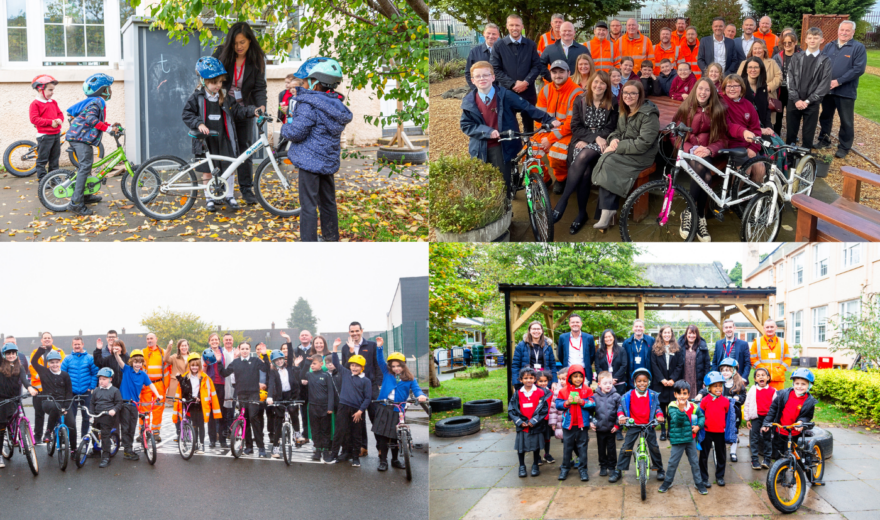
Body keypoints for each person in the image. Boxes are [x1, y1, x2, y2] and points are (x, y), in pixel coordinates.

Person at [461, 61, 558, 201]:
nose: (482, 78)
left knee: (502, 182)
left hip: (501, 146)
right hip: (479, 148)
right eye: (478, 76)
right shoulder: (469, 101)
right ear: (473, 80)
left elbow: (526, 106)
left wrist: (547, 119)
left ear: (493, 77)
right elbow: (466, 125)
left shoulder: (504, 95)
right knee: (482, 182)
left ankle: (505, 211)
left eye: (486, 75)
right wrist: (487, 131)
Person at [280, 58, 353, 242]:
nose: (302, 85)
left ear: (314, 83)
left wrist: (285, 127)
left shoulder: (309, 104)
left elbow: (296, 132)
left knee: (309, 205)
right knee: (328, 202)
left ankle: (309, 243)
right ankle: (330, 238)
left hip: (309, 163)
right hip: (327, 161)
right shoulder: (335, 105)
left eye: (304, 81)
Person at [182, 56, 258, 212]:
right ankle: (209, 198)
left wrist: (253, 110)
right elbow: (187, 114)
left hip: (224, 138)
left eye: (220, 82)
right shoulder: (197, 98)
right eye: (213, 82)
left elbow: (238, 111)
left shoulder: (225, 98)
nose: (218, 85)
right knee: (207, 172)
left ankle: (229, 195)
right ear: (203, 81)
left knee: (229, 168)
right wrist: (199, 123)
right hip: (206, 142)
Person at [592, 80, 660, 231]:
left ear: (640, 95)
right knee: (606, 158)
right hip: (627, 150)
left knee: (608, 161)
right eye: (625, 93)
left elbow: (643, 143)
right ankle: (607, 210)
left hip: (643, 155)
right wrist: (613, 140)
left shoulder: (649, 114)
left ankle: (606, 212)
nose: (628, 96)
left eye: (633, 93)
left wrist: (618, 147)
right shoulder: (625, 110)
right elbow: (617, 131)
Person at [555, 72, 618, 233]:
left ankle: (563, 201)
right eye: (596, 82)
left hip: (602, 142)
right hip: (582, 139)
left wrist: (596, 138)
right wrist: (592, 138)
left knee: (583, 155)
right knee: (584, 172)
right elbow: (575, 127)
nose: (598, 86)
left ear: (607, 86)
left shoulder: (613, 101)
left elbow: (612, 128)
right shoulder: (580, 100)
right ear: (590, 83)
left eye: (603, 83)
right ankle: (581, 214)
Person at [211, 22, 267, 205]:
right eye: (235, 43)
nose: (239, 47)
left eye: (242, 42)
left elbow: (259, 87)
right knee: (221, 148)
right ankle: (219, 189)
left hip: (245, 110)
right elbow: (209, 77)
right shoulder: (221, 53)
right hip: (223, 108)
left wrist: (261, 106)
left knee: (245, 149)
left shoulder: (256, 58)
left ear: (250, 40)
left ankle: (246, 189)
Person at [672, 76, 727, 242]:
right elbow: (675, 135)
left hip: (707, 152)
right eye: (700, 88)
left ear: (711, 93)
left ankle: (693, 213)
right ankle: (696, 213)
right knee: (704, 174)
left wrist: (710, 149)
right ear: (695, 90)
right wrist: (691, 148)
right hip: (687, 150)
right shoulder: (685, 107)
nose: (703, 92)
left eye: (707, 90)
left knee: (706, 175)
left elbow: (723, 139)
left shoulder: (718, 110)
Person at [64, 73, 120, 216]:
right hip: (79, 139)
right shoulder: (96, 102)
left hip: (81, 138)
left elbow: (95, 121)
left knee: (87, 167)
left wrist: (110, 126)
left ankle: (86, 196)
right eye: (109, 88)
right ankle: (76, 203)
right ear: (103, 90)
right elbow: (90, 120)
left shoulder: (95, 102)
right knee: (85, 167)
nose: (111, 91)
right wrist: (108, 129)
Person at [374, 340, 427, 471]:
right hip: (384, 407)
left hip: (398, 409)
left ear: (404, 366)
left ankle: (395, 460)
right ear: (390, 367)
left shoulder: (410, 378)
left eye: (399, 365)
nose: (396, 368)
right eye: (393, 366)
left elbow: (417, 389)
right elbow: (380, 360)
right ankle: (383, 461)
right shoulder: (387, 374)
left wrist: (421, 396)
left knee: (396, 436)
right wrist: (379, 348)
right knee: (383, 437)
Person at [818, 20, 867, 158]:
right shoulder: (830, 46)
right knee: (825, 116)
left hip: (845, 91)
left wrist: (838, 81)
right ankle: (824, 140)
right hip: (828, 90)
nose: (844, 33)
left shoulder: (858, 47)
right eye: (842, 30)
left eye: (848, 30)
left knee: (846, 120)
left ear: (853, 32)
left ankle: (844, 147)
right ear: (838, 30)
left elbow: (859, 69)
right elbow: (822, 63)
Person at [535, 60, 584, 191]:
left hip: (568, 133)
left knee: (557, 154)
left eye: (561, 72)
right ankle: (544, 179)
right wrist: (543, 133)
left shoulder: (576, 92)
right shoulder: (545, 90)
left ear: (569, 73)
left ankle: (562, 178)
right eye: (554, 72)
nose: (558, 75)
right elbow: (538, 116)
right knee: (528, 153)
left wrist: (550, 139)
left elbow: (571, 123)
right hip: (546, 131)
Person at [610, 367, 665, 483]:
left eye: (645, 381)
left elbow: (657, 408)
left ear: (649, 382)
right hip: (634, 425)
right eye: (639, 381)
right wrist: (621, 417)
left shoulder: (653, 395)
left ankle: (659, 469)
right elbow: (621, 408)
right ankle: (619, 470)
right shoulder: (628, 395)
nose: (642, 383)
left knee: (654, 447)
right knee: (626, 447)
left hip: (648, 424)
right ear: (634, 382)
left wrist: (659, 415)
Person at [490, 14, 543, 133]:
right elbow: (495, 69)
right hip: (507, 92)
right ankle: (512, 147)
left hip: (527, 91)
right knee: (509, 123)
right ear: (507, 26)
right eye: (512, 25)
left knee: (529, 123)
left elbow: (536, 66)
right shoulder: (499, 46)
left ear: (522, 26)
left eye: (517, 25)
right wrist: (512, 84)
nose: (515, 28)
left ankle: (529, 145)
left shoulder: (530, 45)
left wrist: (526, 82)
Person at [219, 342, 270, 458]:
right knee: (245, 420)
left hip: (253, 394)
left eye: (247, 348)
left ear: (250, 350)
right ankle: (248, 447)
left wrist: (265, 355)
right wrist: (218, 362)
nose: (245, 351)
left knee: (253, 418)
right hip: (241, 394)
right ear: (239, 349)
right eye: (243, 349)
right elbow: (224, 373)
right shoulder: (236, 362)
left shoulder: (255, 361)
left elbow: (266, 369)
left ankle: (261, 447)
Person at [786, 27, 831, 150]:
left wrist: (807, 101)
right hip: (794, 101)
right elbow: (790, 79)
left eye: (816, 38)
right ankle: (789, 159)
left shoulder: (825, 61)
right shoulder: (796, 57)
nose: (812, 40)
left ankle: (806, 160)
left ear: (822, 40)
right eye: (810, 38)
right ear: (805, 40)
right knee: (791, 133)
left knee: (808, 135)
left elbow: (824, 84)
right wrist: (796, 99)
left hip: (811, 104)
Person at [340, 322, 381, 457]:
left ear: (362, 331)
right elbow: (345, 369)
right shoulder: (345, 348)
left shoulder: (371, 345)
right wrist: (351, 352)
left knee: (375, 416)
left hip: (371, 386)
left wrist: (379, 384)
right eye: (352, 331)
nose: (355, 334)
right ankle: (363, 447)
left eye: (357, 331)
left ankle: (381, 447)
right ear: (349, 333)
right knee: (359, 419)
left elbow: (377, 365)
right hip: (355, 389)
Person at [328, 338, 371, 466]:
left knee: (356, 435)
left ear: (362, 367)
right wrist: (335, 348)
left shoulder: (366, 381)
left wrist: (360, 411)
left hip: (357, 411)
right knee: (339, 432)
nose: (354, 368)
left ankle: (356, 458)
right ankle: (334, 455)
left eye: (357, 366)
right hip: (343, 407)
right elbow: (336, 362)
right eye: (352, 365)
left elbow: (367, 398)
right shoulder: (346, 373)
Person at [762, 368, 817, 468]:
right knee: (778, 453)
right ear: (793, 384)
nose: (799, 386)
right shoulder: (783, 394)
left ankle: (791, 469)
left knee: (789, 453)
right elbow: (773, 409)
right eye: (797, 383)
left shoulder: (809, 401)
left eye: (803, 384)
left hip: (794, 432)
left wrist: (801, 422)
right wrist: (766, 423)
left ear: (810, 385)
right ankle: (779, 472)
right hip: (780, 430)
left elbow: (807, 416)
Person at [114, 349, 163, 461]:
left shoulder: (143, 374)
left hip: (135, 404)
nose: (137, 364)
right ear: (131, 362)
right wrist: (116, 353)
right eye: (135, 362)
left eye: (140, 362)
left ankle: (129, 448)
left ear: (142, 363)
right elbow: (119, 361)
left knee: (132, 428)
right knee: (125, 427)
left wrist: (158, 395)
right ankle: (127, 451)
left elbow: (151, 385)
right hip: (125, 403)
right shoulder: (127, 369)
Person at [660, 380, 707, 494]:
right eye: (679, 393)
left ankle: (698, 483)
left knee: (694, 462)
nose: (682, 396)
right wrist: (681, 409)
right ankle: (668, 481)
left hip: (690, 439)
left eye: (685, 393)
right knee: (673, 462)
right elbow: (677, 421)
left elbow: (701, 417)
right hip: (678, 440)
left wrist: (698, 426)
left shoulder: (693, 406)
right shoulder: (672, 407)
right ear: (675, 394)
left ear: (689, 394)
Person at [721, 74, 766, 186]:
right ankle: (734, 198)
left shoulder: (748, 105)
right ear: (724, 88)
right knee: (744, 169)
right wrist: (743, 132)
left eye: (736, 86)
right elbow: (727, 126)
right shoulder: (720, 102)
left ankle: (755, 197)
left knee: (760, 167)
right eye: (729, 86)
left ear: (741, 88)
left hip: (747, 144)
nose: (732, 89)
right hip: (729, 144)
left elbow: (756, 129)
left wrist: (753, 148)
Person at [0, 344, 39, 469]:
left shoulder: (20, 367)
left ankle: (19, 434)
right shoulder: (1, 365)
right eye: (8, 353)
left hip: (15, 398)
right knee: (1, 427)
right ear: (4, 355)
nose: (11, 355)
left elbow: (25, 380)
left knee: (18, 415)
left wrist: (30, 388)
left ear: (16, 354)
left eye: (13, 353)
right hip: (2, 398)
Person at [555, 364, 596, 482]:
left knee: (582, 448)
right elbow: (558, 404)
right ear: (570, 378)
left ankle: (583, 470)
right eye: (575, 376)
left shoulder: (587, 390)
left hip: (582, 425)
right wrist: (566, 403)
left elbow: (593, 403)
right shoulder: (563, 391)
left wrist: (582, 402)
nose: (578, 379)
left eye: (580, 376)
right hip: (568, 425)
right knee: (567, 447)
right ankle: (565, 468)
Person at [175, 353, 222, 455]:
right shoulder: (185, 377)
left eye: (196, 365)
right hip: (190, 404)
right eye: (192, 365)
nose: (194, 367)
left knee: (200, 425)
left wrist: (199, 399)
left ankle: (201, 444)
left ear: (199, 366)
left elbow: (209, 393)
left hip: (200, 405)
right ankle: (195, 444)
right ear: (189, 366)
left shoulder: (205, 378)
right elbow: (184, 391)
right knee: (194, 425)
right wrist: (180, 380)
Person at [30, 346, 75, 450]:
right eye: (52, 362)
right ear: (48, 363)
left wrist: (67, 408)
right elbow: (33, 361)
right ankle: (48, 432)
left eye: (57, 362)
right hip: (48, 402)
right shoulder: (44, 372)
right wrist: (41, 351)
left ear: (60, 363)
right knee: (55, 406)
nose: (54, 365)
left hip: (64, 404)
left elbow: (69, 392)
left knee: (72, 424)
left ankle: (73, 449)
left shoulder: (65, 375)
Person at [509, 367, 550, 478]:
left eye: (531, 378)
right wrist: (519, 421)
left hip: (535, 425)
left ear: (535, 379)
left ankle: (535, 465)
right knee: (521, 447)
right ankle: (522, 466)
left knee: (536, 446)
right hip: (522, 426)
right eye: (525, 378)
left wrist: (534, 420)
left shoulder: (540, 393)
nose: (528, 380)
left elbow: (544, 409)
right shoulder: (517, 394)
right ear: (521, 380)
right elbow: (512, 409)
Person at [60, 336, 99, 449]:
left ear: (82, 345)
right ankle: (72, 443)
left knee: (86, 417)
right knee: (71, 419)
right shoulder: (67, 359)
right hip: (71, 393)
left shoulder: (89, 358)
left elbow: (94, 373)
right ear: (72, 345)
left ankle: (84, 440)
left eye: (79, 344)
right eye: (75, 344)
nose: (77, 346)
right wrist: (66, 389)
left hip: (86, 392)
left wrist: (91, 386)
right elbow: (63, 375)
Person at [30, 331, 66, 443]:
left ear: (52, 340)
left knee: (56, 412)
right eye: (44, 338)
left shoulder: (59, 351)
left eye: (48, 338)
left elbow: (63, 366)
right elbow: (32, 367)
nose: (46, 339)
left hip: (53, 390)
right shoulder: (36, 352)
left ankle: (54, 434)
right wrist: (42, 377)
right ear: (41, 340)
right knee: (39, 414)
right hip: (38, 389)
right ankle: (38, 436)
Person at [265, 349, 301, 458]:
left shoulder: (289, 368)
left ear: (284, 359)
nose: (279, 361)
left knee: (293, 411)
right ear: (273, 362)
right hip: (279, 397)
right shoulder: (273, 371)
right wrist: (269, 397)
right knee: (278, 422)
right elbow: (271, 384)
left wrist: (288, 340)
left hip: (291, 395)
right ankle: (275, 448)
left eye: (281, 359)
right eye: (276, 360)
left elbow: (290, 355)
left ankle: (297, 434)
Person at [650, 325, 683, 442]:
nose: (667, 335)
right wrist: (662, 379)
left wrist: (672, 379)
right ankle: (663, 431)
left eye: (669, 333)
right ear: (661, 334)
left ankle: (670, 431)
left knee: (672, 408)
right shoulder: (655, 349)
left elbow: (680, 365)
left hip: (672, 384)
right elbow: (653, 365)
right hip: (660, 383)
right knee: (661, 409)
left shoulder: (678, 349)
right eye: (665, 333)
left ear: (672, 334)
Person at [698, 371, 729, 487]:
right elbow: (701, 414)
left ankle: (720, 476)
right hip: (706, 432)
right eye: (715, 386)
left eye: (720, 385)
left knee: (721, 455)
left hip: (720, 432)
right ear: (708, 388)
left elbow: (726, 414)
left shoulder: (725, 401)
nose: (718, 388)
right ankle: (704, 478)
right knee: (704, 455)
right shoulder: (705, 401)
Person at [29, 75, 63, 180]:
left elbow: (60, 114)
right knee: (43, 159)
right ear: (40, 89)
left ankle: (54, 178)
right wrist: (50, 122)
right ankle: (43, 180)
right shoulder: (35, 104)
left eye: (53, 90)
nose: (52, 92)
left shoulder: (53, 102)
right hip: (44, 136)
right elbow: (34, 119)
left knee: (54, 158)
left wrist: (60, 119)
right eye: (50, 90)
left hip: (56, 134)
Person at [137, 333, 169, 442]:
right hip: (146, 385)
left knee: (158, 409)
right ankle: (143, 432)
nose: (149, 340)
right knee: (143, 409)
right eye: (147, 339)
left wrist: (166, 386)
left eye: (151, 338)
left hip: (159, 384)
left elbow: (167, 369)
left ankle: (156, 432)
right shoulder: (142, 352)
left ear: (156, 339)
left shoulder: (163, 352)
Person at [744, 367, 776, 470]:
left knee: (767, 438)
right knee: (754, 438)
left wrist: (774, 420)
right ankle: (754, 459)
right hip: (756, 418)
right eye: (758, 376)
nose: (760, 377)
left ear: (768, 377)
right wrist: (747, 419)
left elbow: (776, 406)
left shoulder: (773, 391)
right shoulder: (753, 390)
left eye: (763, 375)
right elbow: (747, 404)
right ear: (755, 379)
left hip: (768, 419)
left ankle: (767, 459)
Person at [89, 367, 122, 468]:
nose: (101, 381)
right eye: (100, 379)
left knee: (105, 434)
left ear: (110, 379)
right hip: (97, 414)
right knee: (93, 432)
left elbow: (119, 403)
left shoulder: (115, 391)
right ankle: (96, 451)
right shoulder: (96, 391)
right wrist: (91, 414)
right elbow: (92, 403)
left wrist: (114, 410)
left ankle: (106, 457)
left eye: (104, 379)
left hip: (108, 416)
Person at [591, 371, 621, 476]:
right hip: (600, 428)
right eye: (605, 383)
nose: (608, 385)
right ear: (599, 384)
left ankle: (612, 466)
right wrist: (592, 422)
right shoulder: (594, 397)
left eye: (610, 383)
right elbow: (590, 412)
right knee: (601, 448)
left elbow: (620, 412)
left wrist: (617, 425)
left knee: (612, 449)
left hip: (612, 428)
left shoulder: (616, 396)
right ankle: (603, 466)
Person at [512, 321, 558, 390]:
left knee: (543, 399)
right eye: (533, 329)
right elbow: (515, 366)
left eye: (538, 329)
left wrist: (554, 381)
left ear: (542, 331)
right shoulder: (521, 345)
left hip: (543, 380)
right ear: (529, 331)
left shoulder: (547, 346)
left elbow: (552, 365)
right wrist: (516, 383)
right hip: (528, 379)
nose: (536, 331)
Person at [750, 319, 792, 391]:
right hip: (762, 379)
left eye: (772, 327)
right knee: (763, 400)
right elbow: (752, 359)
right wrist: (763, 369)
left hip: (778, 379)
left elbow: (788, 358)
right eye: (767, 327)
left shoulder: (782, 342)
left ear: (776, 327)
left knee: (778, 399)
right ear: (764, 328)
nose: (769, 329)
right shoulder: (757, 342)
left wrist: (781, 369)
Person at [202, 334, 228, 448]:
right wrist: (205, 364)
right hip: (210, 385)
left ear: (219, 341)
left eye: (216, 340)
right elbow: (203, 371)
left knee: (221, 413)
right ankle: (212, 439)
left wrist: (219, 361)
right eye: (212, 340)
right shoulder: (205, 353)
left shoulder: (223, 353)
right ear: (209, 342)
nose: (214, 341)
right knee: (212, 413)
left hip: (221, 384)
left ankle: (223, 440)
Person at [163, 339, 190, 441]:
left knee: (188, 410)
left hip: (189, 386)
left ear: (188, 346)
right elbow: (165, 359)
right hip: (176, 386)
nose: (184, 347)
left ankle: (188, 431)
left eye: (185, 345)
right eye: (181, 346)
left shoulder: (192, 357)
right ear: (179, 347)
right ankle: (179, 433)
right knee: (178, 411)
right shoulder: (175, 357)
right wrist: (169, 346)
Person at [773, 31, 800, 135]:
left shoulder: (800, 57)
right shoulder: (777, 57)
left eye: (790, 42)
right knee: (778, 114)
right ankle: (777, 135)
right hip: (779, 90)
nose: (787, 45)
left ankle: (792, 137)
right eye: (785, 43)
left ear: (795, 43)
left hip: (793, 91)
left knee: (792, 114)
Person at [678, 325, 712, 395]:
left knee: (696, 401)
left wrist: (705, 381)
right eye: (689, 333)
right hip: (683, 378)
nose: (691, 335)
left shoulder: (703, 347)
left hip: (697, 380)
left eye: (694, 333)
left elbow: (707, 365)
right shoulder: (680, 347)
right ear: (686, 334)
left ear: (697, 335)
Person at [465, 24, 501, 90]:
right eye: (488, 33)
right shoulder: (474, 52)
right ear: (484, 34)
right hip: (482, 91)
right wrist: (475, 89)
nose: (491, 36)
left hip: (501, 91)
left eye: (494, 34)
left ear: (498, 35)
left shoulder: (504, 51)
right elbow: (468, 73)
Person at [741, 57, 773, 130]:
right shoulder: (740, 86)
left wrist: (769, 126)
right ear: (746, 70)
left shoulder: (763, 86)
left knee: (777, 141)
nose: (753, 70)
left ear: (761, 69)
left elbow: (766, 109)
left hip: (762, 125)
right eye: (750, 67)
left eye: (756, 67)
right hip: (746, 128)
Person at [593, 329, 628, 396]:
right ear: (603, 339)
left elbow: (624, 365)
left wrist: (615, 379)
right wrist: (605, 379)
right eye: (605, 337)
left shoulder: (621, 350)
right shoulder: (599, 351)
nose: (608, 339)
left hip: (619, 383)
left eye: (610, 336)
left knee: (619, 404)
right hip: (604, 384)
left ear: (613, 337)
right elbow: (597, 366)